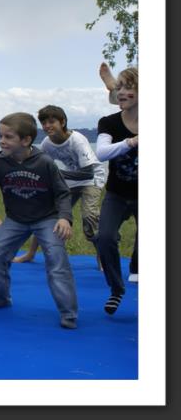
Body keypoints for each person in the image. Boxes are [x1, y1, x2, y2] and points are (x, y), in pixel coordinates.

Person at [0, 112, 78, 330]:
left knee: (57, 260)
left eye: (8, 137)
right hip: (16, 220)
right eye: (0, 135)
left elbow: (63, 193)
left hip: (46, 218)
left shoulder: (45, 163)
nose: (1, 141)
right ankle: (0, 297)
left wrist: (65, 218)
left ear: (26, 140)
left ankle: (68, 312)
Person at [13, 105, 106, 266]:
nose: (47, 126)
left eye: (51, 122)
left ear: (62, 122)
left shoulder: (77, 140)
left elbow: (87, 173)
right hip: (71, 180)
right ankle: (30, 254)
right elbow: (42, 166)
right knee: (48, 214)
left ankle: (102, 257)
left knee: (89, 217)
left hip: (92, 178)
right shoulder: (47, 143)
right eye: (44, 123)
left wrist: (57, 174)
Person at [95, 67, 138, 314]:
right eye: (118, 88)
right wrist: (131, 142)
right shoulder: (109, 122)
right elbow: (102, 153)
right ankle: (116, 289)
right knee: (105, 238)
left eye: (127, 87)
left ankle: (138, 267)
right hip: (117, 193)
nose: (121, 92)